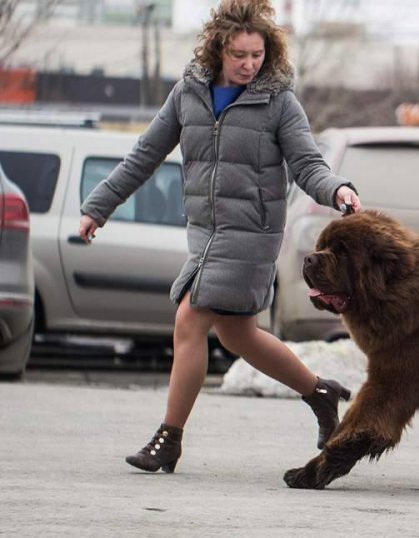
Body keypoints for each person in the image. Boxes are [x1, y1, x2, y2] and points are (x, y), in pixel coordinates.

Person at [79, 0, 361, 474]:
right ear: (218, 50)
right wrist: (98, 207)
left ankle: (168, 440)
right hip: (206, 233)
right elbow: (144, 154)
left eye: (257, 54)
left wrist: (338, 191)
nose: (250, 64)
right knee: (238, 336)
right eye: (240, 55)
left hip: (252, 233)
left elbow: (308, 164)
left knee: (189, 320)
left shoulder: (279, 103)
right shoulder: (188, 93)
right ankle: (319, 391)